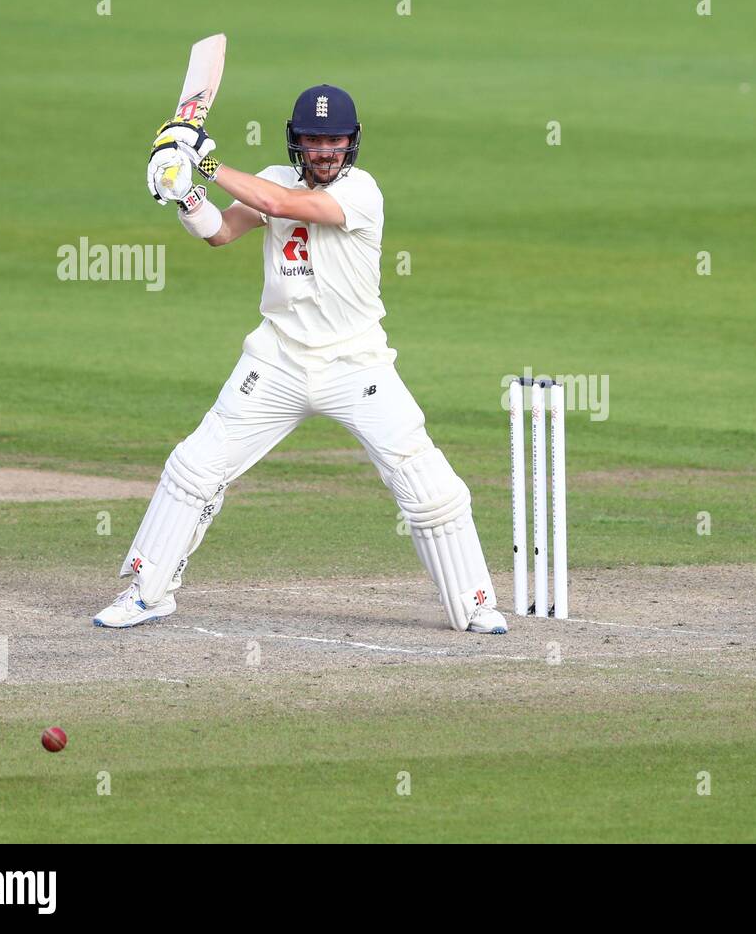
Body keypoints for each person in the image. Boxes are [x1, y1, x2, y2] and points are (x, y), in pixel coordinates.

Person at [93, 84, 507, 634]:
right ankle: (147, 593)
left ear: (352, 143)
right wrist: (184, 194)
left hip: (356, 363)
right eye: (314, 141)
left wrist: (203, 156)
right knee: (195, 468)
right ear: (297, 142)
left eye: (334, 140)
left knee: (426, 484)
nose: (325, 152)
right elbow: (222, 232)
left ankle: (473, 603)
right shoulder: (273, 177)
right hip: (279, 360)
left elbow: (282, 206)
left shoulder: (363, 193)